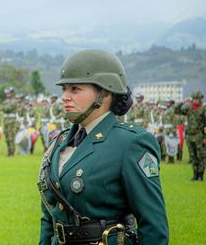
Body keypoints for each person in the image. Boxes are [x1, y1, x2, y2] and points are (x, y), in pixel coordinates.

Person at [38, 49, 168, 244]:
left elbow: (154, 226)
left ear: (105, 93)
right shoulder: (60, 142)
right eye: (64, 88)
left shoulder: (130, 143)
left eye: (75, 89)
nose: (65, 96)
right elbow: (50, 216)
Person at [174, 90, 206, 181]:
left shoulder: (203, 109)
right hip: (189, 135)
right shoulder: (189, 108)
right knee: (193, 156)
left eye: (197, 99)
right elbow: (177, 110)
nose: (196, 101)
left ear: (200, 99)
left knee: (201, 156)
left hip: (200, 135)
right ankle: (195, 175)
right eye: (194, 99)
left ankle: (200, 175)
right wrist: (183, 101)